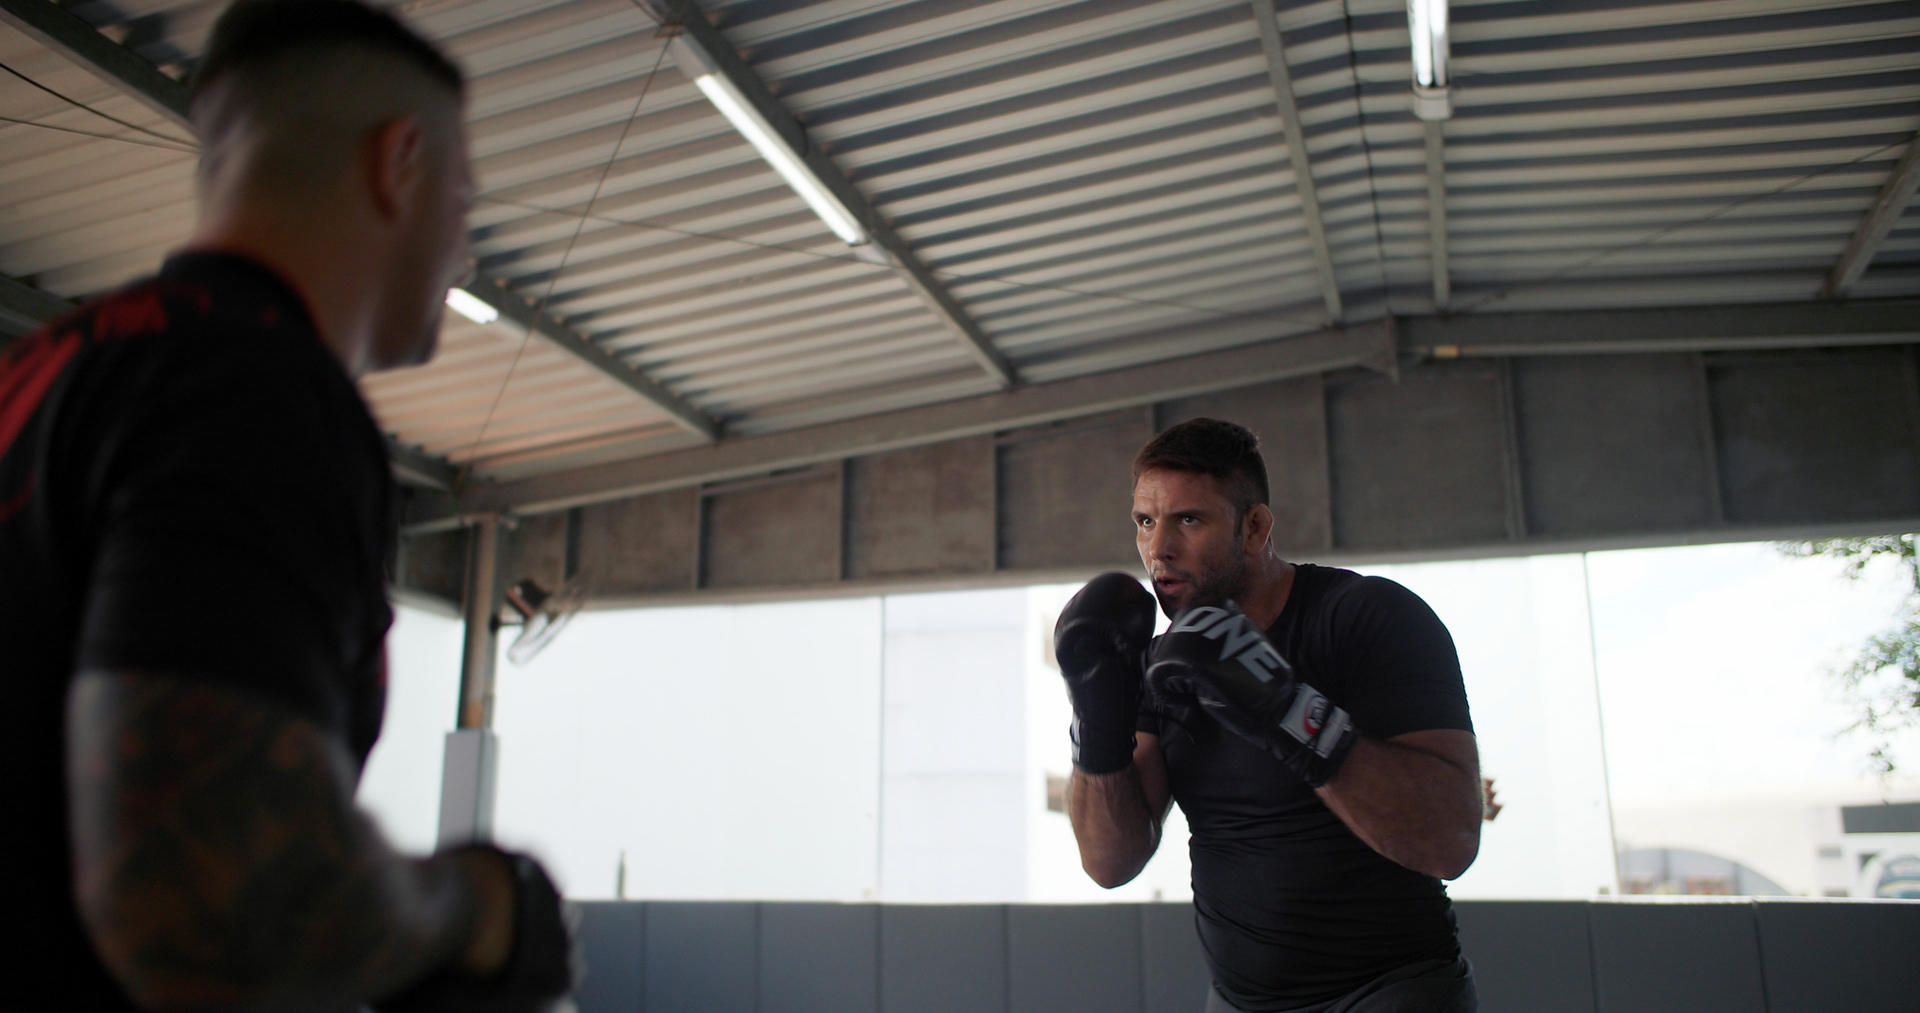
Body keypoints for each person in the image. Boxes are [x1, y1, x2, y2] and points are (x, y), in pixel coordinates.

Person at [0, 2, 573, 1009]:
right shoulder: (253, 390)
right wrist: (485, 910)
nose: (465, 254)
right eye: (463, 201)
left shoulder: (47, 373)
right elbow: (218, 903)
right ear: (399, 162)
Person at [1054, 418, 1484, 1013]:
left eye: (1189, 520)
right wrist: (1096, 719)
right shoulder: (1161, 663)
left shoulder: (1364, 616)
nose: (1159, 549)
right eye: (1145, 522)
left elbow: (1450, 843)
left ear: (1254, 527)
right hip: (1239, 1001)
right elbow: (1109, 862)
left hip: (1391, 990)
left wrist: (1285, 707)